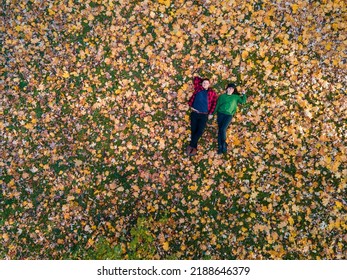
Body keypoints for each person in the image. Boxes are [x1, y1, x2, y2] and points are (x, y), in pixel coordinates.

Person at [186, 77, 218, 156]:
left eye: (207, 83)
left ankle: (191, 146)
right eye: (204, 83)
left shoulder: (212, 93)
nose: (205, 84)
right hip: (195, 113)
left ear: (209, 84)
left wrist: (211, 113)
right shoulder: (198, 88)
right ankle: (194, 149)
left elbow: (214, 103)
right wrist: (202, 80)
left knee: (200, 131)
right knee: (194, 131)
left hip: (204, 115)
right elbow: (195, 79)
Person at [215, 83, 246, 154]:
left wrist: (244, 94)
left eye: (232, 88)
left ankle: (224, 144)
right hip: (220, 114)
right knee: (220, 130)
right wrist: (212, 114)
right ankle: (220, 147)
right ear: (227, 88)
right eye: (229, 88)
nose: (230, 89)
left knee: (223, 129)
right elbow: (217, 105)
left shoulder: (236, 97)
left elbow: (243, 102)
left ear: (233, 90)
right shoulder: (222, 96)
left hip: (229, 115)